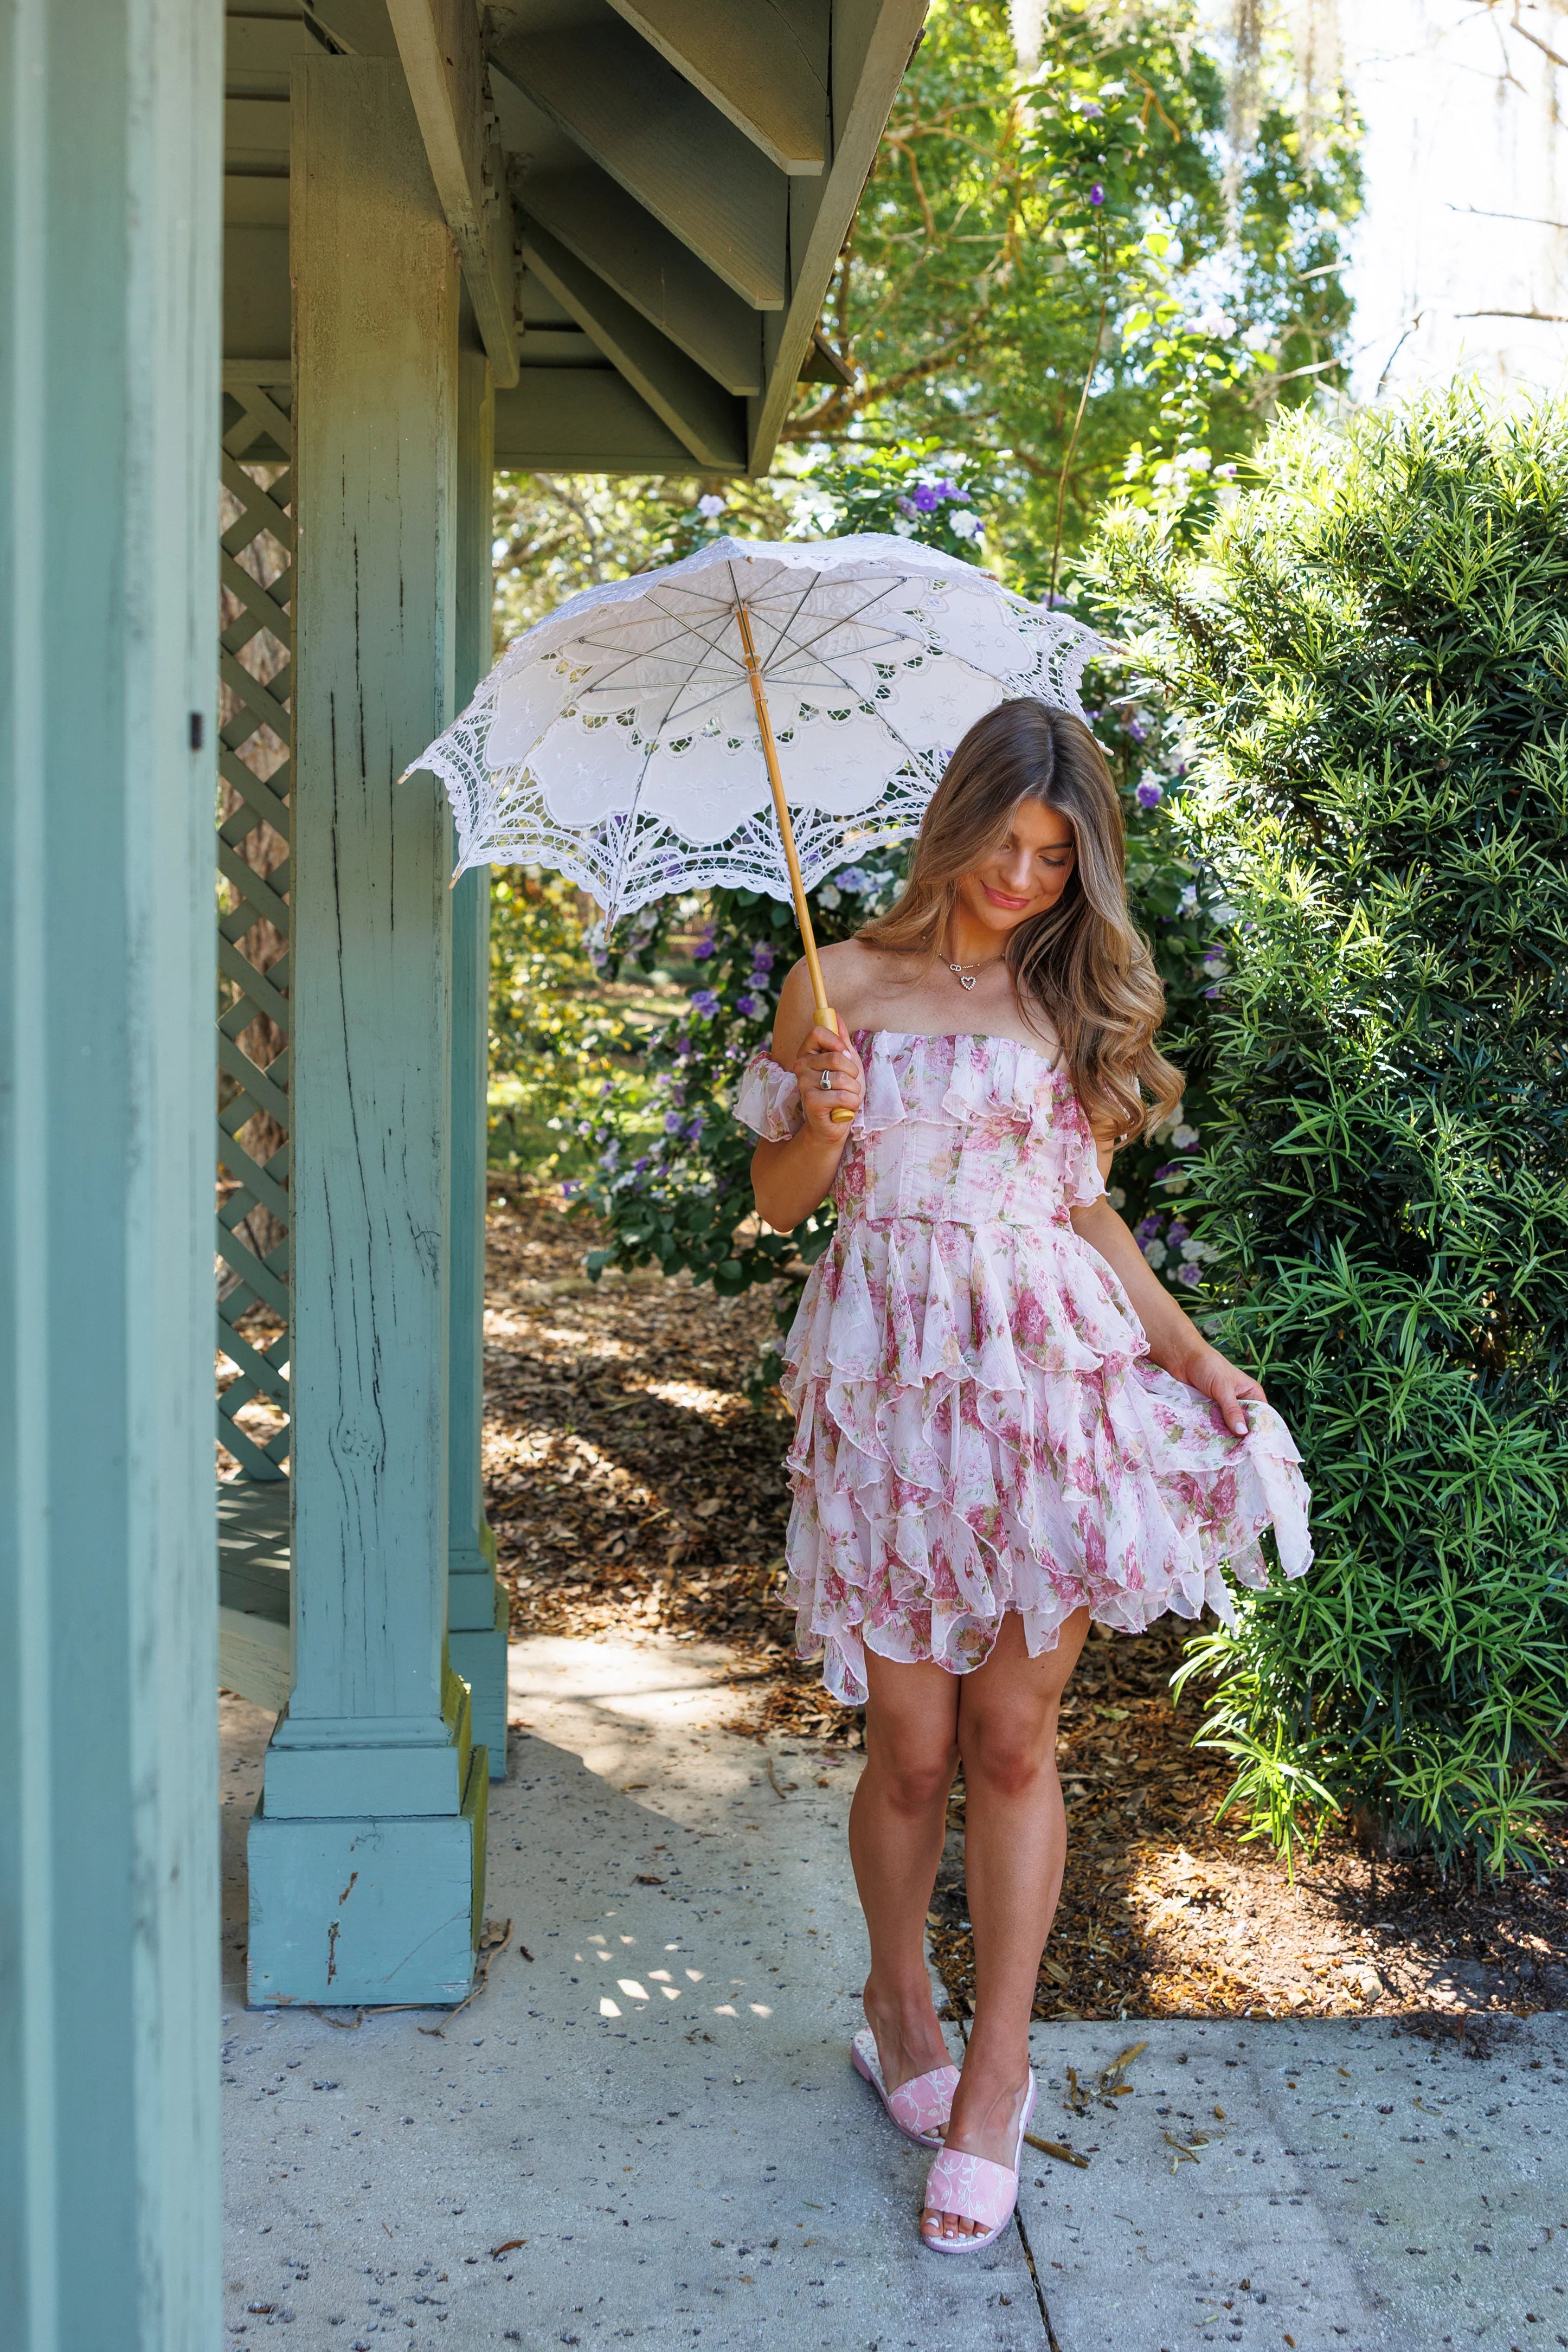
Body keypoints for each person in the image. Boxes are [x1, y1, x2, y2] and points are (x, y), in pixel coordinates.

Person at [736, 698, 1311, 2254]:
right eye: (1004, 842)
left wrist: (1189, 1359)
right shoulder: (831, 983)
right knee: (909, 1746)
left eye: (1055, 856)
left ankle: (995, 2071)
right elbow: (776, 1199)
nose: (1022, 876)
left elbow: (1088, 1216)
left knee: (1008, 1737)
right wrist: (826, 1115)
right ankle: (894, 1994)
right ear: (956, 823)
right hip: (889, 1394)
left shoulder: (1066, 1002)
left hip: (1045, 1387)